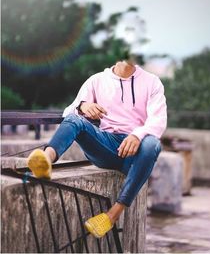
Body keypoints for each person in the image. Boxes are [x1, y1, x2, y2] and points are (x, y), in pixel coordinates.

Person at [27, 54, 167, 238]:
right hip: (106, 145)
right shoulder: (97, 80)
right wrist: (83, 106)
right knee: (75, 119)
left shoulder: (152, 82)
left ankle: (112, 215)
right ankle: (46, 159)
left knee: (152, 144)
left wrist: (137, 135)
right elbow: (68, 112)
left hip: (135, 152)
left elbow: (158, 121)